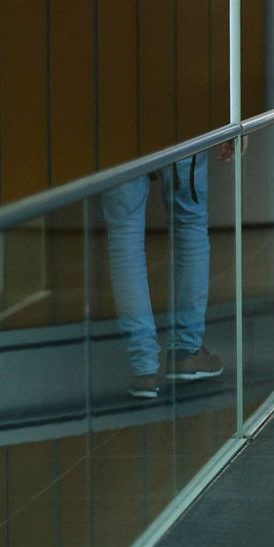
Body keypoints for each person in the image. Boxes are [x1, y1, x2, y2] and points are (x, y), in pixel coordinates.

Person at [101, 145, 231, 399]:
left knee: (124, 233)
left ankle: (143, 369)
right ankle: (186, 351)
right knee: (189, 221)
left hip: (115, 121)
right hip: (180, 118)